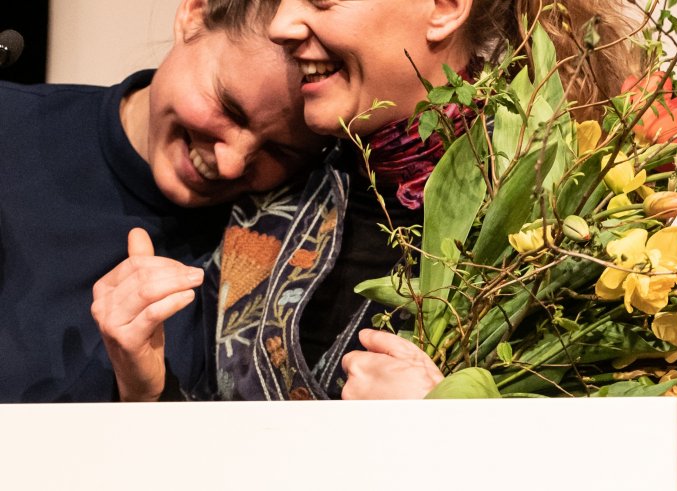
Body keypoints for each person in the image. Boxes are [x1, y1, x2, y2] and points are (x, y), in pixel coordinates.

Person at [93, 0, 639, 401]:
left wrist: (450, 428)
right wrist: (147, 390)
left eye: (319, 0)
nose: (281, 24)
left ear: (444, 8)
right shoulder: (276, 194)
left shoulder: (565, 208)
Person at [0, 0, 323, 402]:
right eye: (230, 108)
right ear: (194, 16)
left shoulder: (292, 251)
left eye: (279, 150)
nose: (231, 164)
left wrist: (145, 393)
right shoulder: (10, 125)